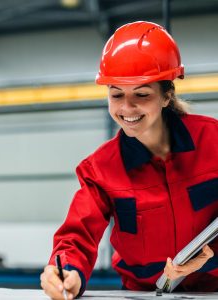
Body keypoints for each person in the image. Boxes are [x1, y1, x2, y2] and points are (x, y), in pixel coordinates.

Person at [40, 21, 218, 299]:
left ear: (166, 96)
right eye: (117, 94)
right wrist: (67, 271)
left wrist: (207, 257)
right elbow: (77, 235)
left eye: (142, 94)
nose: (127, 108)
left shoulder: (213, 142)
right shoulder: (100, 170)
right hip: (143, 295)